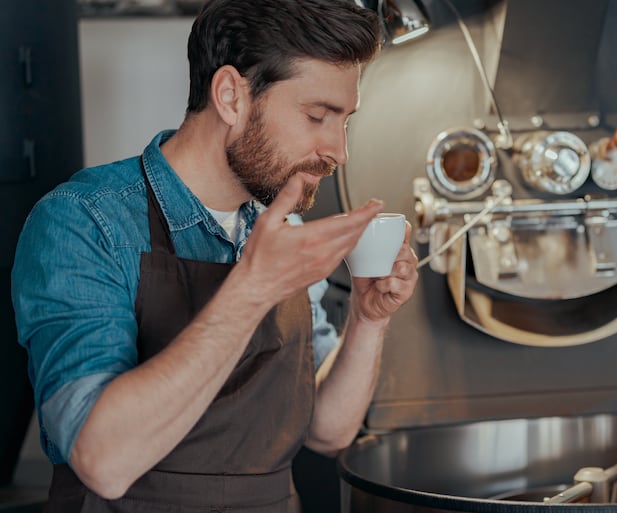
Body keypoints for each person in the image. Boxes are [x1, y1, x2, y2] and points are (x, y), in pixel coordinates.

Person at [10, 0, 418, 511]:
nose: (339, 150)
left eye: (345, 122)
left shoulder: (281, 228)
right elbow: (103, 460)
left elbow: (327, 431)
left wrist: (367, 318)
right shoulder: (84, 221)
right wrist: (251, 290)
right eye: (317, 116)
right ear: (230, 96)